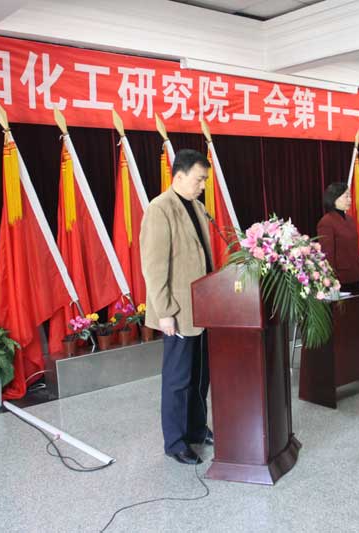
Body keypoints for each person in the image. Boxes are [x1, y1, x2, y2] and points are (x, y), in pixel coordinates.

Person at [140, 149, 214, 466]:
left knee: (200, 375)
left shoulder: (197, 207)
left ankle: (196, 428)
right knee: (178, 379)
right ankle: (175, 442)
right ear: (180, 176)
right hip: (178, 311)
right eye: (199, 180)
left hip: (202, 308)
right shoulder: (160, 209)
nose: (203, 186)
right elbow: (154, 267)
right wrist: (166, 311)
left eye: (205, 180)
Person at [317, 182, 359, 290]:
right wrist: (332, 280)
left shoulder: (350, 219)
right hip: (340, 279)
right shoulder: (326, 221)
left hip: (356, 276)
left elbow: (354, 250)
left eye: (350, 196)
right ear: (334, 198)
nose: (350, 200)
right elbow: (327, 255)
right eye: (346, 196)